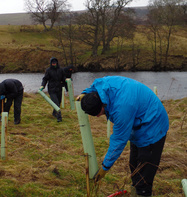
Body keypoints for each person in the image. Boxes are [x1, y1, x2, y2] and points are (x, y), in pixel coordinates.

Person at [77, 76, 169, 197]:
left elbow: (119, 141)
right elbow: (93, 87)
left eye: (98, 114)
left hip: (153, 126)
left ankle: (142, 193)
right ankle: (135, 191)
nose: (98, 117)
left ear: (102, 106)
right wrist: (84, 93)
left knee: (144, 175)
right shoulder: (101, 86)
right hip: (139, 123)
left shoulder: (121, 109)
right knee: (134, 165)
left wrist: (105, 167)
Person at [40, 57, 66, 122]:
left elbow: (63, 78)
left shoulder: (61, 70)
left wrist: (67, 81)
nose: (54, 64)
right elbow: (45, 79)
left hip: (59, 88)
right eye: (52, 63)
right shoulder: (48, 70)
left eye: (55, 63)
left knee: (58, 102)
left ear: (57, 63)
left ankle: (54, 113)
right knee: (56, 103)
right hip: (52, 89)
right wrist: (42, 86)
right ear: (51, 63)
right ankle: (59, 117)